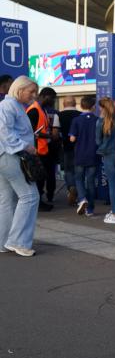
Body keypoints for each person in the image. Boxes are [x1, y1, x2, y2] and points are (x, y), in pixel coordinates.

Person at [0, 76, 41, 256]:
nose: (33, 95)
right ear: (19, 89)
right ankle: (18, 241)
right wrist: (25, 146)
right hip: (11, 156)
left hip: (6, 156)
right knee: (30, 196)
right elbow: (4, 132)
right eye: (30, 91)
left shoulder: (12, 106)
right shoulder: (9, 106)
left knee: (7, 200)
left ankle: (4, 242)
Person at [25, 86, 58, 211]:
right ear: (45, 96)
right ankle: (38, 203)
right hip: (37, 150)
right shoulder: (34, 110)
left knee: (42, 177)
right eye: (52, 98)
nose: (54, 101)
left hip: (43, 149)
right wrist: (50, 135)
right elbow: (31, 131)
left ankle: (40, 201)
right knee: (38, 178)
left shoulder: (42, 109)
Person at [68, 95, 99, 218]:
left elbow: (72, 138)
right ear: (93, 107)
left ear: (81, 106)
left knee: (79, 179)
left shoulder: (76, 120)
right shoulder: (97, 120)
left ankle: (82, 199)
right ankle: (90, 209)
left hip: (80, 154)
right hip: (93, 154)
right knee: (90, 182)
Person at [96, 97, 115, 223]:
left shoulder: (101, 121)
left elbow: (98, 141)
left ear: (102, 107)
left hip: (108, 155)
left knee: (113, 184)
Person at [59, 97, 81, 205]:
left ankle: (71, 187)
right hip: (80, 147)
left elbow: (55, 132)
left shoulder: (59, 115)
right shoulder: (80, 115)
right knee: (78, 170)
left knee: (68, 170)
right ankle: (79, 191)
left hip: (66, 147)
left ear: (63, 104)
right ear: (75, 104)